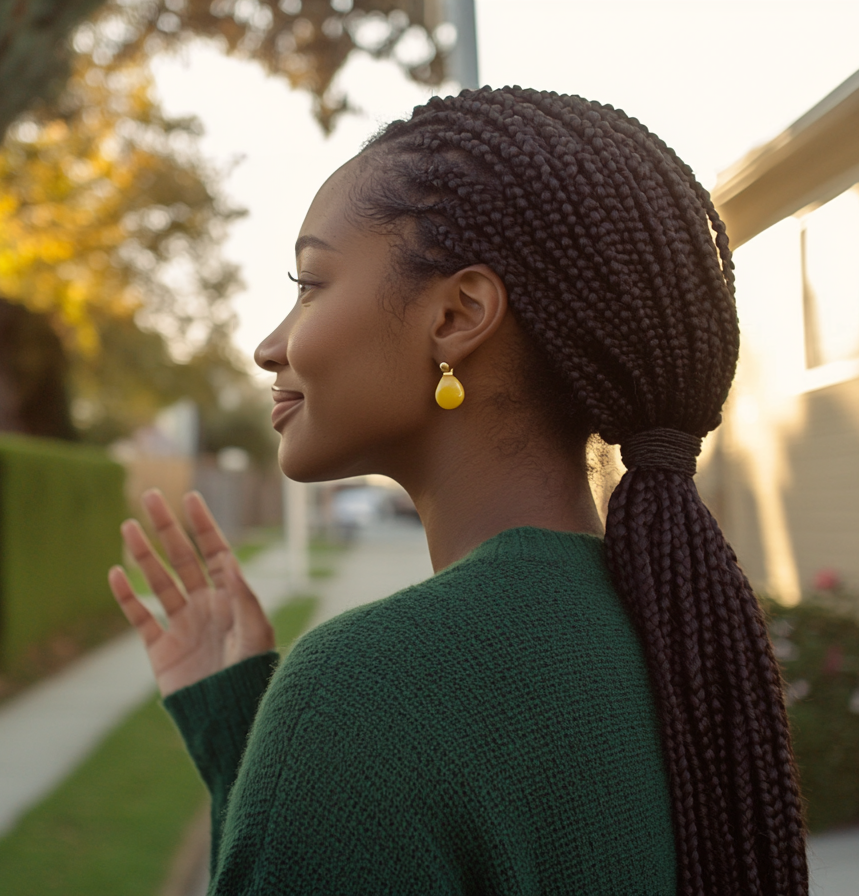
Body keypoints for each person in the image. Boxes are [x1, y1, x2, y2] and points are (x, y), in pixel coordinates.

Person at [108, 86, 809, 895]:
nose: (270, 347)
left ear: (457, 315)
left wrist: (300, 738)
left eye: (309, 284)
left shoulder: (365, 694)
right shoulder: (675, 636)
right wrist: (247, 744)